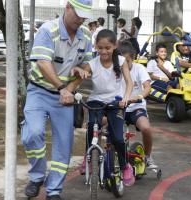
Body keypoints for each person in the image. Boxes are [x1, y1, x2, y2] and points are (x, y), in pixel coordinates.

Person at [21, 0, 92, 200]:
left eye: (85, 15)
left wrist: (78, 76)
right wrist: (62, 88)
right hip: (39, 91)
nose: (81, 19)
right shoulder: (48, 30)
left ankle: (54, 191)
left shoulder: (86, 35)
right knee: (31, 134)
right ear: (67, 7)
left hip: (65, 95)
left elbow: (88, 65)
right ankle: (37, 177)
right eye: (78, 14)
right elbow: (43, 63)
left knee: (64, 144)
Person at [83, 29, 135, 186]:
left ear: (114, 46)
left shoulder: (120, 61)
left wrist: (125, 99)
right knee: (92, 126)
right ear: (95, 46)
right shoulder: (91, 64)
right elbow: (81, 75)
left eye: (107, 48)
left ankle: (125, 166)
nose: (103, 51)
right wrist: (80, 71)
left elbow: (129, 83)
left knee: (118, 138)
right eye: (100, 48)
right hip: (95, 101)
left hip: (115, 103)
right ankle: (88, 157)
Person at [118, 41, 158, 169]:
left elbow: (147, 87)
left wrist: (139, 96)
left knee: (146, 128)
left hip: (136, 107)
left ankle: (147, 156)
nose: (123, 64)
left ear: (133, 58)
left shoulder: (139, 68)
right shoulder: (114, 69)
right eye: (120, 61)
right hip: (119, 107)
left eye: (127, 61)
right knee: (102, 125)